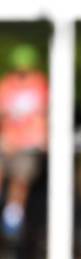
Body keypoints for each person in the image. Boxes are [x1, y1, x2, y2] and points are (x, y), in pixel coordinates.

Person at [0, 44, 48, 240]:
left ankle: (13, 214)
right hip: (9, 142)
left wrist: (40, 138)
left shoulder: (39, 84)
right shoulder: (7, 84)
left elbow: (43, 115)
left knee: (21, 177)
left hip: (29, 144)